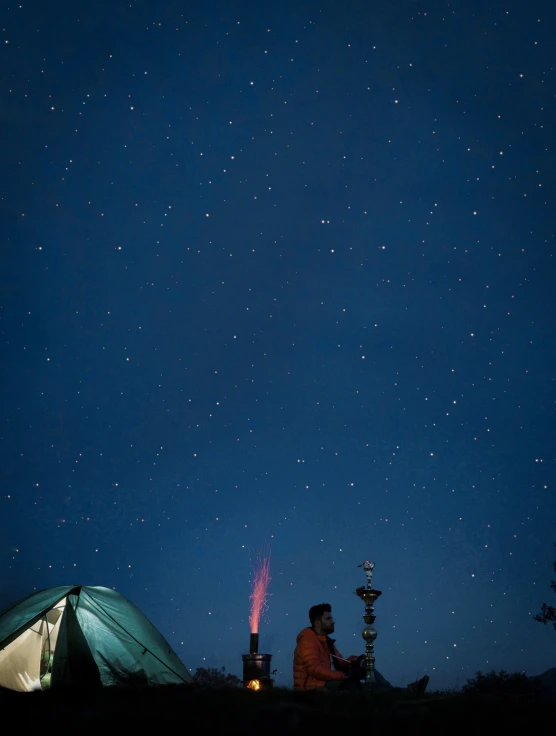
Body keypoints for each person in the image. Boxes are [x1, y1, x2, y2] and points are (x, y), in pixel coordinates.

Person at [293, 602, 429, 694]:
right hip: (312, 688)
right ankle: (403, 692)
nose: (333, 621)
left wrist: (356, 661)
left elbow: (339, 662)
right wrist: (344, 676)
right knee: (357, 688)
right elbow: (315, 670)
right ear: (317, 623)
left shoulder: (326, 641)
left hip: (326, 681)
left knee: (367, 667)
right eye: (328, 619)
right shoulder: (308, 641)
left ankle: (397, 691)